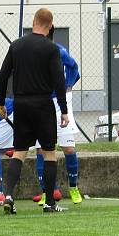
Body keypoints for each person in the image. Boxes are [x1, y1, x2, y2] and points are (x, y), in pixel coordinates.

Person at [0, 8, 68, 215]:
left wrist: (1, 102)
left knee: (19, 151)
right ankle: (49, 203)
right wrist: (64, 110)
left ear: (34, 21)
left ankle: (8, 195)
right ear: (50, 25)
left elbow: (3, 75)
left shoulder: (17, 45)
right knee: (48, 153)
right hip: (43, 103)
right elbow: (59, 81)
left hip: (21, 104)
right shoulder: (51, 48)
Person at [32, 27, 83, 205]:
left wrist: (68, 84)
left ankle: (74, 187)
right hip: (43, 102)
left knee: (68, 148)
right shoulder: (35, 53)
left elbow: (74, 67)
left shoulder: (60, 51)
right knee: (42, 149)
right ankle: (47, 192)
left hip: (62, 102)